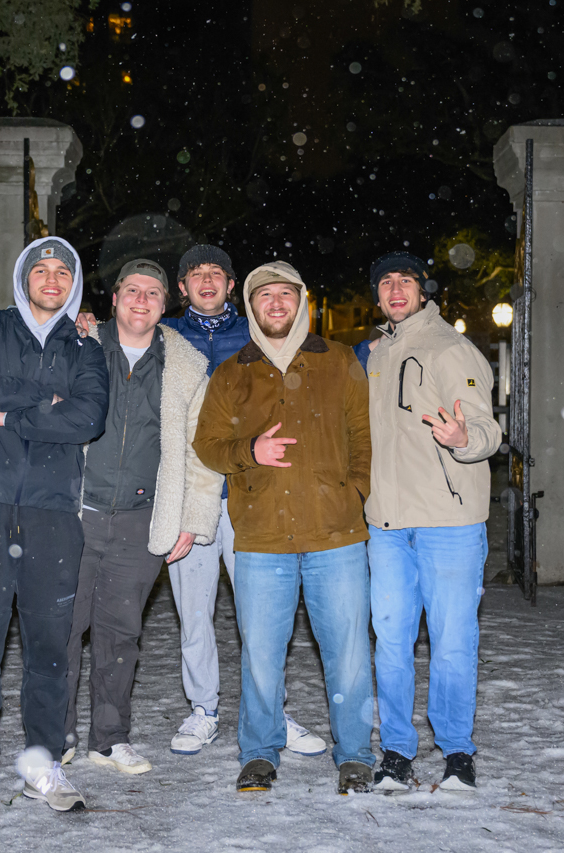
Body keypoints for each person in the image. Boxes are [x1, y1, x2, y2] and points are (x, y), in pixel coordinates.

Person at [78, 245, 327, 759]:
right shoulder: (168, 340)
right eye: (195, 275)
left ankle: (271, 710)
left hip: (250, 495)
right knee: (194, 612)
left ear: (232, 285)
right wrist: (84, 323)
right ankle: (203, 708)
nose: (207, 281)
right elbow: (114, 339)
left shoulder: (257, 336)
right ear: (182, 290)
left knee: (262, 613)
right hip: (186, 495)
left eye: (217, 272)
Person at [192, 261, 375, 794]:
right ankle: (259, 752)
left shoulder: (339, 361)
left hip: (336, 535)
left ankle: (356, 755)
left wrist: (353, 492)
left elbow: (363, 438)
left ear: (303, 301)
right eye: (263, 295)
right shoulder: (233, 372)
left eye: (285, 294)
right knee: (261, 654)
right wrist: (250, 450)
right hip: (262, 538)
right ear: (250, 306)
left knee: (347, 652)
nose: (275, 303)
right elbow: (206, 445)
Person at [0, 236, 108, 816]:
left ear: (75, 284)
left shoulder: (85, 344)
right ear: (23, 278)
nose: (51, 278)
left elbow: (89, 417)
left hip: (51, 512)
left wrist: (12, 413)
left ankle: (44, 765)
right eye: (40, 269)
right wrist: (48, 401)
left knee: (49, 648)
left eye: (63, 271)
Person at [63, 258, 223, 776]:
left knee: (120, 632)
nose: (140, 300)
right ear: (113, 299)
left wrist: (192, 518)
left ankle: (109, 738)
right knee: (62, 628)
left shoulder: (186, 364)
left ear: (165, 303)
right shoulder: (79, 344)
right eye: (131, 290)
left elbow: (200, 452)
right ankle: (56, 732)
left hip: (141, 519)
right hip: (75, 513)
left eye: (152, 293)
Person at [362, 251, 500, 794]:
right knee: (391, 643)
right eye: (385, 282)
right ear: (377, 295)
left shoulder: (450, 348)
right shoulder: (375, 353)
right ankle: (396, 751)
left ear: (424, 290)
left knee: (451, 643)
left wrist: (465, 440)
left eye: (406, 281)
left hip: (449, 522)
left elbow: (486, 428)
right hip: (388, 525)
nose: (395, 290)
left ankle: (457, 752)